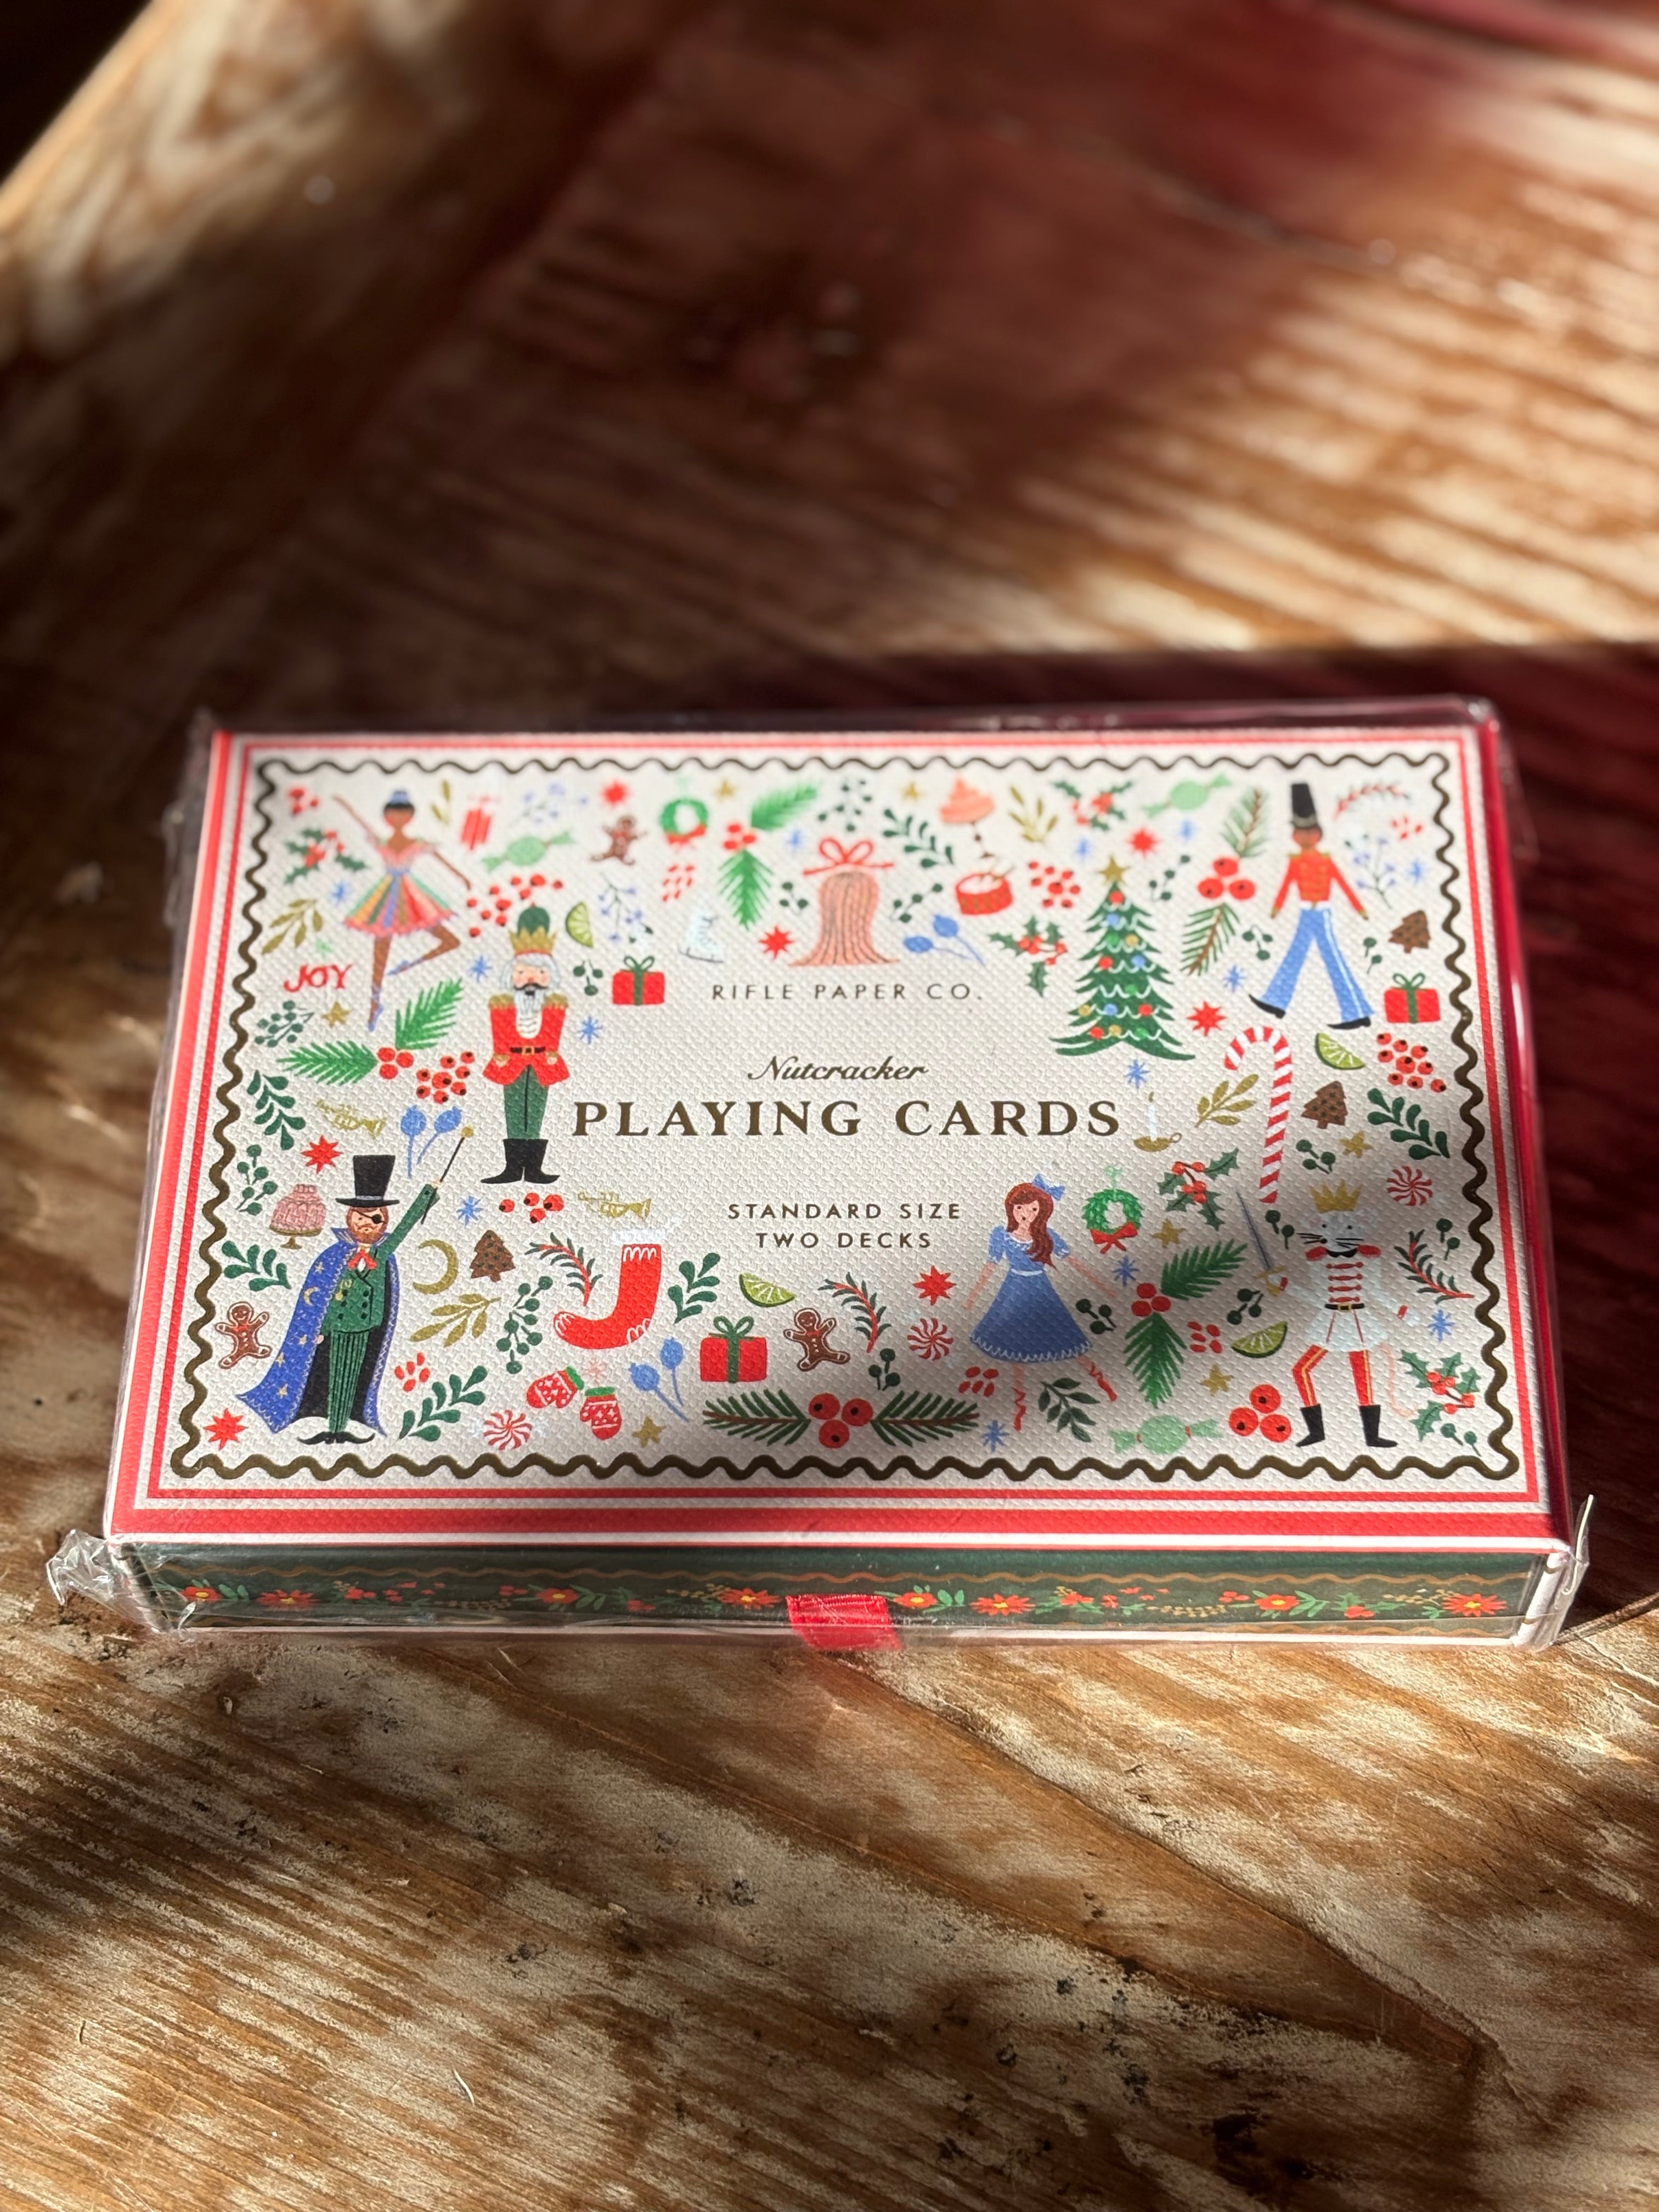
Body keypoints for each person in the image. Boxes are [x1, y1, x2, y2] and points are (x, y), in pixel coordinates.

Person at [240, 1155, 438, 1446]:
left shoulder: (382, 1254)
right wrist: (321, 1329)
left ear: (384, 1220)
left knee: (354, 1378)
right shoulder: (335, 1255)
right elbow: (321, 1296)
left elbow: (406, 1226)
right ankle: (332, 1427)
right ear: (350, 1218)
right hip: (336, 1328)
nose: (367, 1225)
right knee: (332, 1376)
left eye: (375, 1219)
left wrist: (429, 1193)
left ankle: (341, 1426)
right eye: (360, 1218)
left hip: (366, 1328)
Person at [963, 1179, 1118, 1425]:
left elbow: (1074, 1262)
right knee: (1014, 1345)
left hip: (1040, 1289)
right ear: (1011, 1209)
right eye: (1020, 1208)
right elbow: (990, 1266)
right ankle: (1019, 1408)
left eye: (1033, 1209)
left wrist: (1102, 1285)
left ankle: (1104, 1383)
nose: (1026, 1214)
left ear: (1042, 1212)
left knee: (1064, 1335)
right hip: (1013, 1291)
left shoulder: (1047, 1236)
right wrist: (973, 1296)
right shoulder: (1002, 1236)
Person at [335, 788, 469, 1026]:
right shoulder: (383, 842)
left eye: (403, 814)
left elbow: (441, 859)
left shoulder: (417, 843)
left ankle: (410, 964)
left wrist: (462, 877)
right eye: (392, 814)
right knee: (381, 945)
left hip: (410, 896)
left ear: (410, 817)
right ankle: (375, 1001)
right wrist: (346, 806)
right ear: (386, 817)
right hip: (386, 896)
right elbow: (362, 824)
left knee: (449, 940)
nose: (397, 818)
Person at [1252, 782, 1371, 1028]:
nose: (1305, 838)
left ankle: (1357, 1012)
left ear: (1319, 833)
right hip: (1306, 911)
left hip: (1322, 911)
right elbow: (1286, 884)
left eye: (1310, 832)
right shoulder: (1295, 862)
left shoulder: (1326, 861)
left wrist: (1359, 907)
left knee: (1332, 956)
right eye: (1299, 832)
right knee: (1296, 954)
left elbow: (1343, 883)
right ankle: (1276, 1000)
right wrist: (1277, 907)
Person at [481, 905, 570, 1183]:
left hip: (543, 1062)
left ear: (550, 975)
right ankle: (512, 1169)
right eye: (523, 972)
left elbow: (554, 1033)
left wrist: (552, 1053)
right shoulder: (503, 1004)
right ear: (512, 974)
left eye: (540, 972)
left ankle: (533, 1170)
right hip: (512, 1062)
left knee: (535, 1113)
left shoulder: (555, 1004)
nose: (531, 979)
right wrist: (500, 1054)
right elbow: (500, 1033)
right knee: (514, 1112)